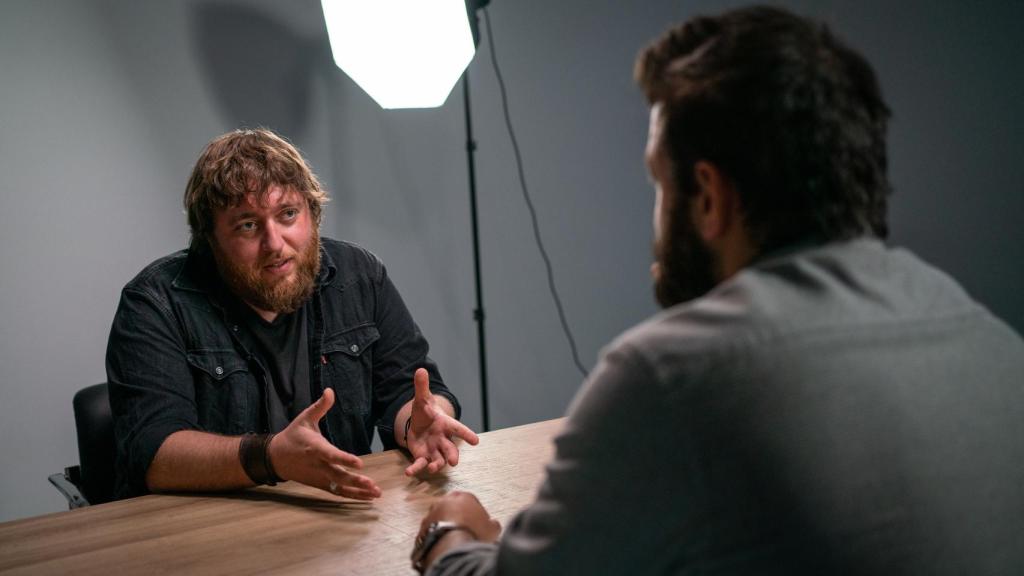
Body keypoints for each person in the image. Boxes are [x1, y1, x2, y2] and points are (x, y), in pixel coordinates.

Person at [410, 5, 1024, 575]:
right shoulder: (991, 340)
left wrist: (452, 531)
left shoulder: (672, 376)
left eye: (659, 182)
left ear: (708, 196)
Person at [107, 128, 478, 501]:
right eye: (247, 225)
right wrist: (272, 458)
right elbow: (153, 454)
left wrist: (417, 423)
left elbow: (410, 392)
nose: (274, 243)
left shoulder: (359, 276)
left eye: (287, 214)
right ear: (209, 240)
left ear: (312, 215)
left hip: (343, 509)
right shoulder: (155, 302)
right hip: (209, 525)